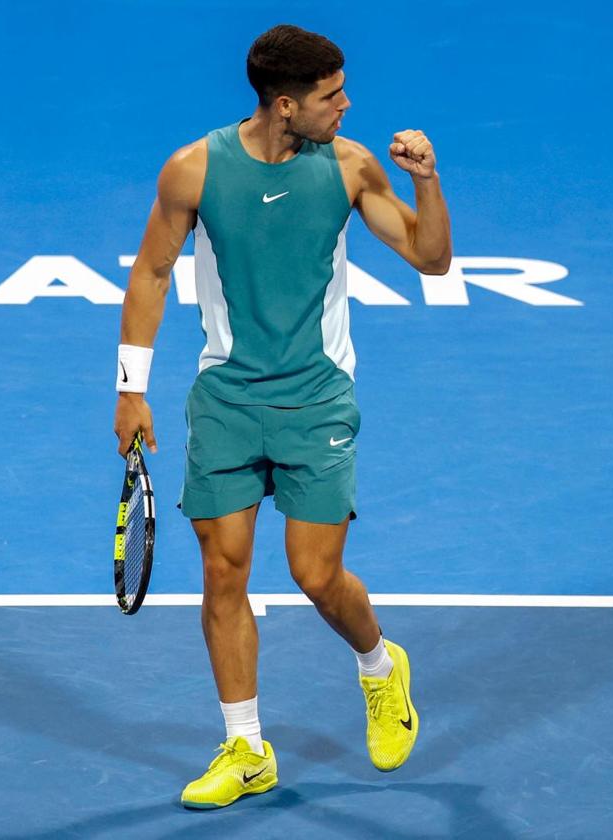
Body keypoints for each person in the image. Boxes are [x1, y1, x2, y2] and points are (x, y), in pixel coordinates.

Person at [112, 24, 452, 809]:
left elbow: (430, 259)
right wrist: (130, 388)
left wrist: (427, 181)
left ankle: (378, 665)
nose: (348, 104)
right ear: (286, 103)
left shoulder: (350, 165)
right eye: (333, 95)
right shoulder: (194, 170)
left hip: (317, 396)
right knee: (222, 573)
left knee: (314, 574)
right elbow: (153, 273)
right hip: (228, 398)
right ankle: (245, 746)